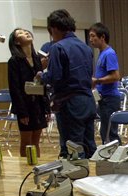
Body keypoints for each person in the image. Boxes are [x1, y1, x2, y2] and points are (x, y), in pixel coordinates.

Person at [37, 9, 97, 158]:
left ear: (54, 28)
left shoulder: (58, 47)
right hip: (88, 101)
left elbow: (55, 77)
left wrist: (41, 75)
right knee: (89, 146)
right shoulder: (86, 47)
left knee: (73, 148)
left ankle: (76, 179)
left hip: (70, 103)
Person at [7, 28, 49, 157]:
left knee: (36, 141)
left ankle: (35, 167)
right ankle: (25, 170)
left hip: (38, 104)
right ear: (17, 42)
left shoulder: (37, 59)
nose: (25, 33)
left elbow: (42, 84)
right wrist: (22, 112)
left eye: (26, 32)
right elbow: (15, 89)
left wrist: (46, 107)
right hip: (25, 106)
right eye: (20, 33)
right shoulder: (14, 61)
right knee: (26, 142)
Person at [89, 22, 121, 144]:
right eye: (90, 37)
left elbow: (115, 76)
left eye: (93, 36)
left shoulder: (109, 53)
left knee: (110, 133)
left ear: (102, 37)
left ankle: (117, 158)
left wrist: (97, 80)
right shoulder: (102, 53)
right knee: (105, 132)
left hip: (110, 99)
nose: (91, 39)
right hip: (103, 99)